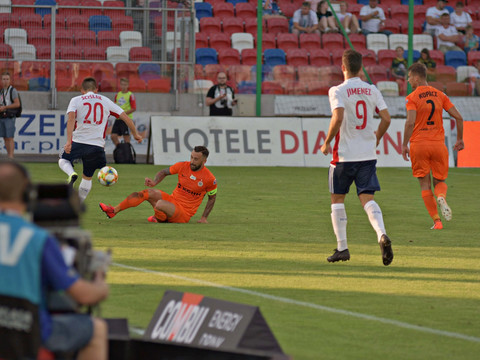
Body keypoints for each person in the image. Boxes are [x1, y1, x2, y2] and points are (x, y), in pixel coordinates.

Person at [0, 160, 109, 359]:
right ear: (26, 194)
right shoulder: (38, 238)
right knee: (98, 330)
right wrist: (101, 283)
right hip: (26, 331)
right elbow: (83, 296)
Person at [320, 49, 394, 266]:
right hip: (367, 155)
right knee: (368, 199)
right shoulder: (372, 90)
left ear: (343, 67)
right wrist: (377, 137)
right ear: (361, 68)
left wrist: (327, 141)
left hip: (343, 156)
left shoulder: (337, 90)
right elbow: (387, 119)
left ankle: (342, 247)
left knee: (337, 199)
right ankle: (381, 234)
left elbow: (338, 115)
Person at [58, 77, 143, 202]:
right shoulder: (105, 101)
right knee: (87, 177)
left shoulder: (75, 100)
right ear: (96, 90)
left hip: (79, 141)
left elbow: (71, 120)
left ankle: (71, 174)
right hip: (97, 146)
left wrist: (69, 142)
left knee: (63, 158)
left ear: (82, 90)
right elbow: (126, 117)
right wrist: (135, 134)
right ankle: (77, 205)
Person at [402, 63, 464, 230]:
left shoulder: (412, 97)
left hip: (419, 144)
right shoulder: (440, 94)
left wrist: (404, 144)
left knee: (424, 184)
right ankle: (441, 196)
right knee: (440, 181)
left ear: (416, 77)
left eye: (409, 77)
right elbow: (458, 117)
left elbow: (410, 122)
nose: (408, 81)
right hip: (438, 145)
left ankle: (437, 221)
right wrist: (459, 139)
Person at [99, 146, 217, 224]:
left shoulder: (209, 178)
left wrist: (204, 218)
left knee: (160, 204)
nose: (192, 161)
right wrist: (155, 182)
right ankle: (113, 210)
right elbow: (164, 172)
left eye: (196, 159)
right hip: (172, 200)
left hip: (184, 213)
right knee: (147, 193)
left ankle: (159, 217)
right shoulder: (183, 166)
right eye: (191, 157)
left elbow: (212, 198)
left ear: (204, 161)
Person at [0, 72, 20, 159]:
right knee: (5, 137)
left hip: (9, 116)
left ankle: (11, 156)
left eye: (7, 79)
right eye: (4, 79)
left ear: (10, 80)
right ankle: (9, 155)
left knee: (10, 137)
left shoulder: (13, 91)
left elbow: (17, 104)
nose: (5, 81)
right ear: (1, 80)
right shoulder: (1, 91)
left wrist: (5, 107)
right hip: (2, 116)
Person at [111, 78, 137, 146]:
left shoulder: (130, 95)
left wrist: (123, 114)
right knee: (113, 136)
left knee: (126, 137)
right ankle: (120, 149)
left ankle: (127, 152)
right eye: (122, 84)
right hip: (118, 119)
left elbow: (134, 108)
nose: (123, 86)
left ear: (128, 85)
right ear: (120, 85)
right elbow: (115, 105)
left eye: (125, 85)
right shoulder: (117, 95)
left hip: (126, 119)